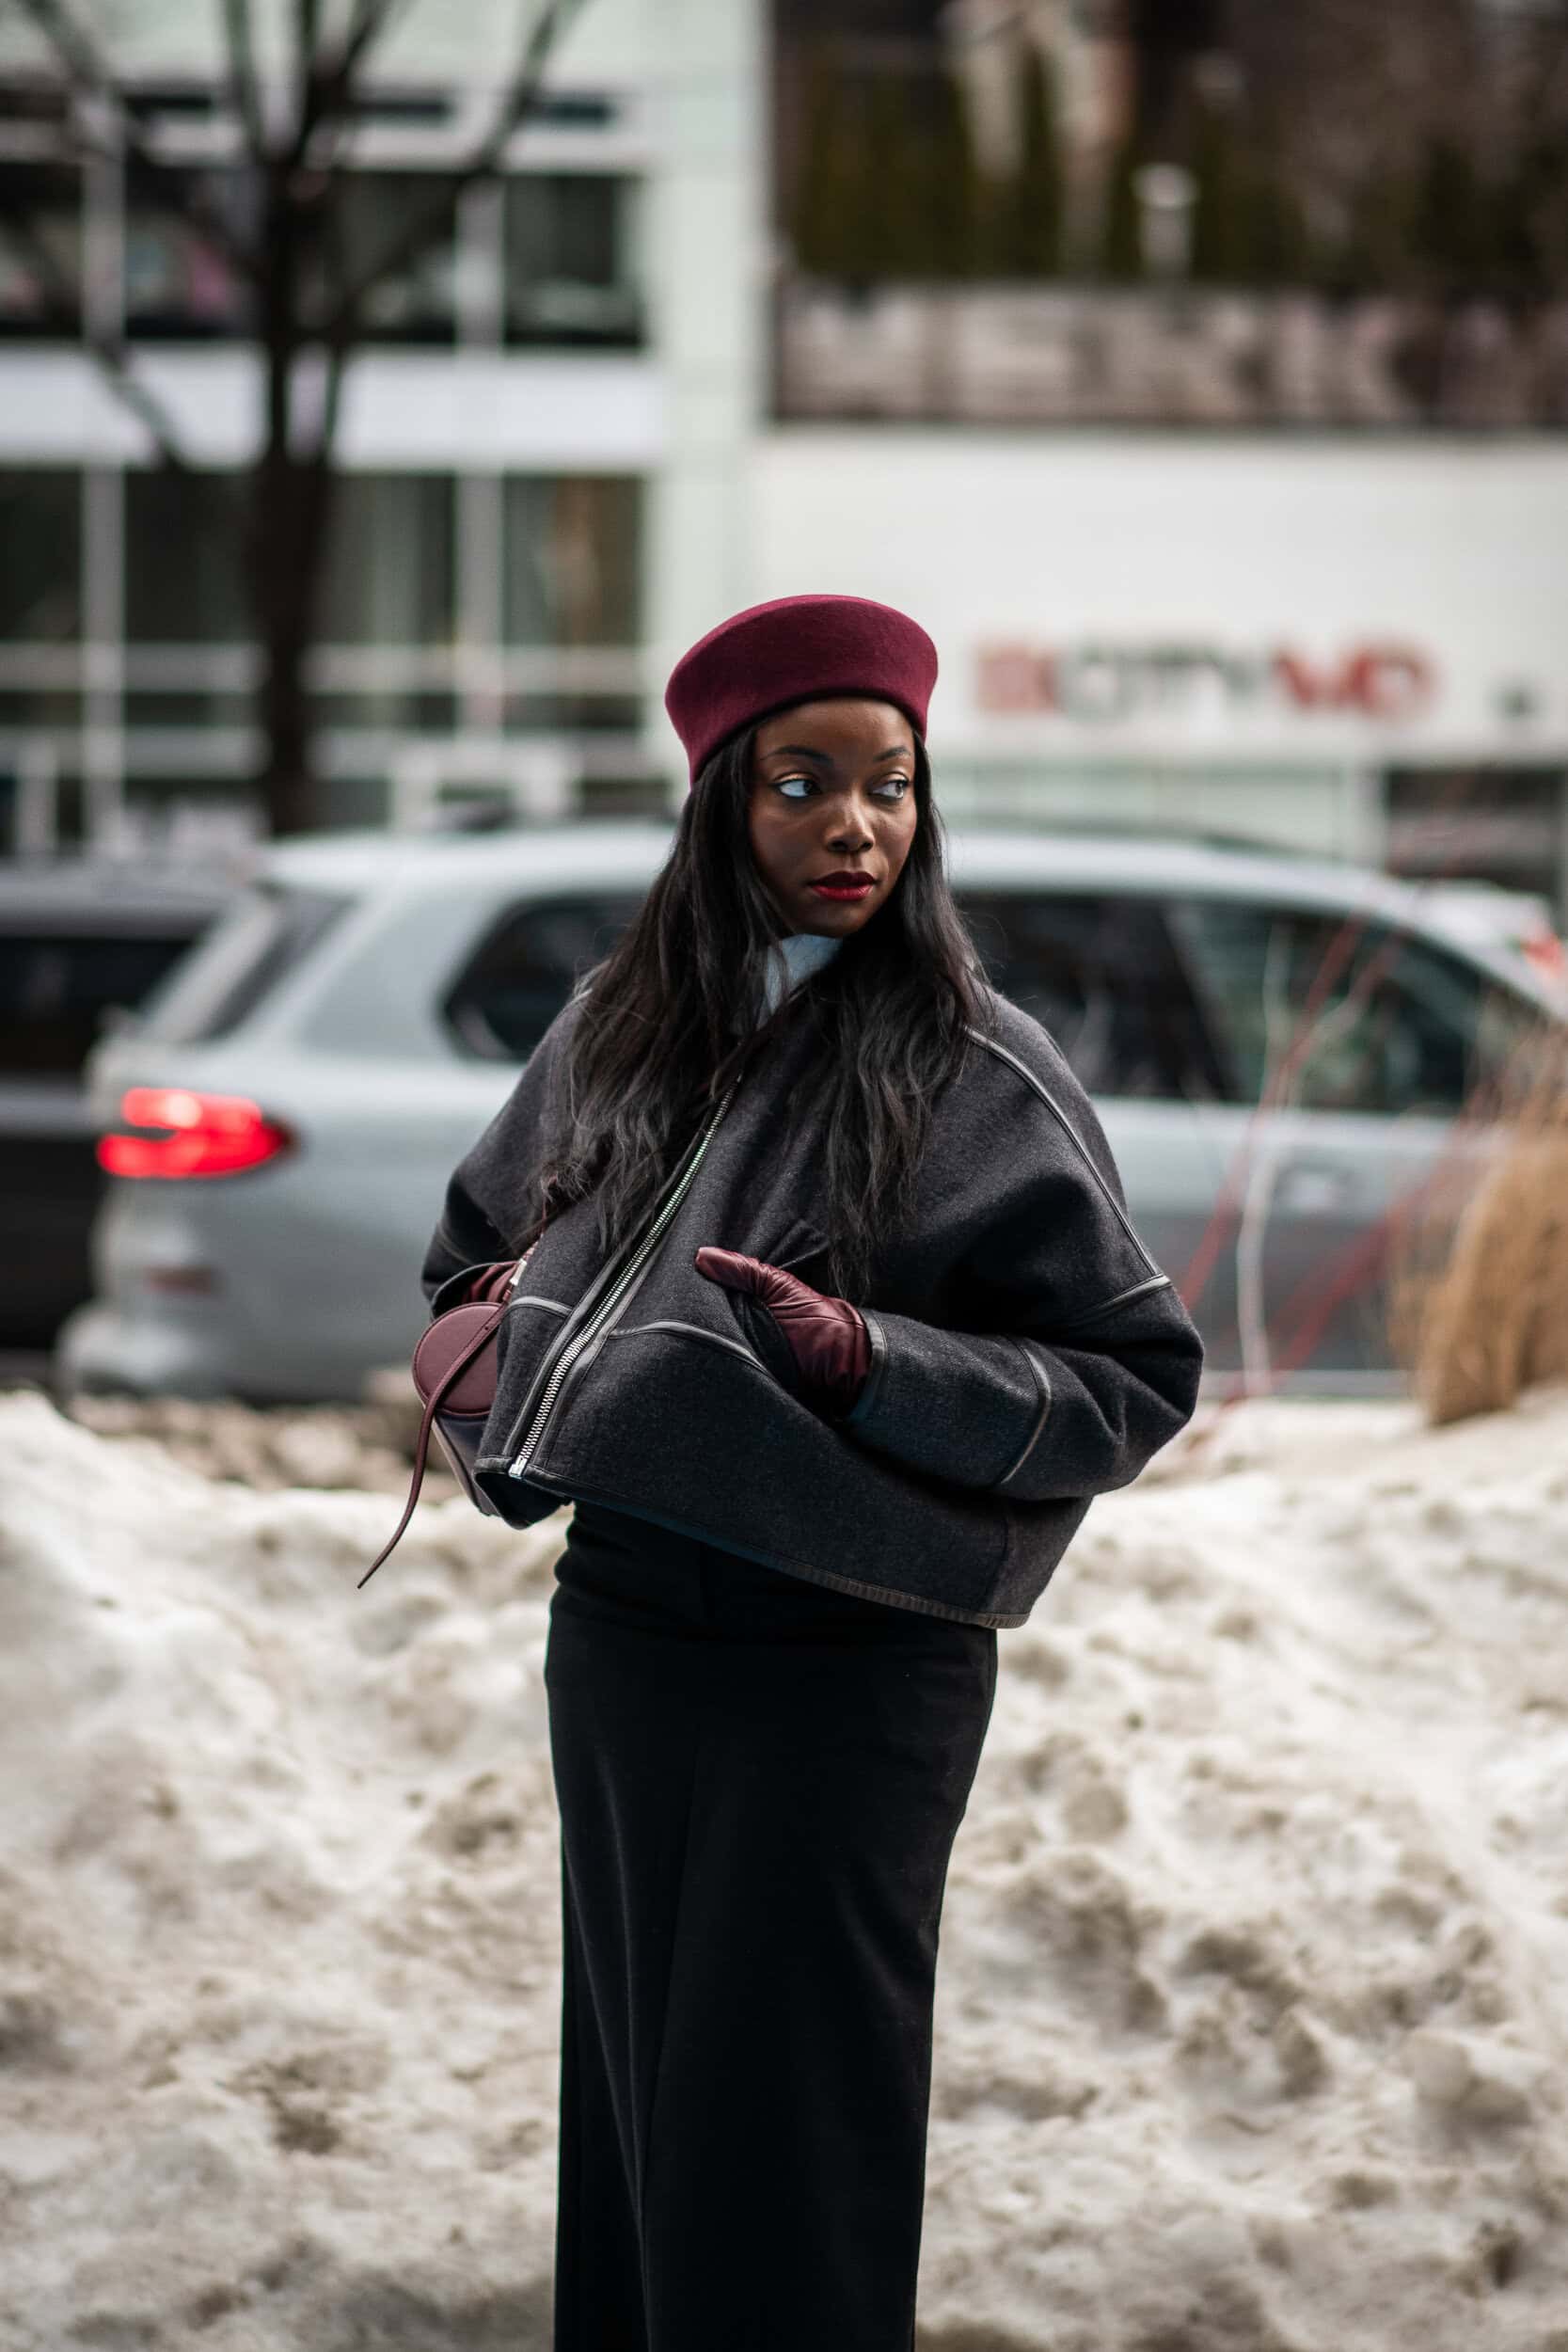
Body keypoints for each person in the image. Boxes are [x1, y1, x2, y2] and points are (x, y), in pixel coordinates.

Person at [420, 593, 1204, 2351]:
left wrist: (870, 1367)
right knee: (635, 2123)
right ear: (721, 804)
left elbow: (1133, 1381)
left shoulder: (981, 1066)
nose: (855, 825)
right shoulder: (623, 1023)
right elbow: (473, 1259)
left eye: (891, 786)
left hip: (854, 1661)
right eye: (802, 784)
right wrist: (499, 1337)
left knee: (789, 2144)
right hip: (624, 1631)